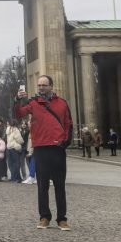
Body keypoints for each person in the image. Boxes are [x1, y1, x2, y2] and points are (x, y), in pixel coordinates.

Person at [15, 74, 73, 231]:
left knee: (59, 185)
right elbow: (18, 114)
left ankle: (62, 219)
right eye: (39, 85)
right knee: (42, 186)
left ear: (51, 86)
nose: (40, 87)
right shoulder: (33, 103)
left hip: (57, 148)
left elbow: (68, 123)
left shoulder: (62, 103)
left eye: (44, 85)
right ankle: (44, 217)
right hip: (40, 148)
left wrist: (65, 142)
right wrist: (17, 99)